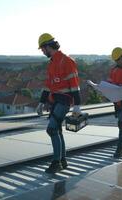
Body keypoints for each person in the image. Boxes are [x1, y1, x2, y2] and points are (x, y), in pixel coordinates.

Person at [36, 33, 82, 173]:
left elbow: (75, 85)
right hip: (55, 101)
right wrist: (41, 102)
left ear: (48, 46)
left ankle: (57, 163)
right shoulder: (52, 63)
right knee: (57, 130)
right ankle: (62, 160)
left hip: (64, 100)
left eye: (43, 49)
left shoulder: (67, 61)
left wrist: (77, 105)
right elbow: (48, 85)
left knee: (51, 129)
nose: (43, 52)